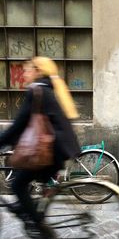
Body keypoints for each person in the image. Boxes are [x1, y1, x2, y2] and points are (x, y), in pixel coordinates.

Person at [0, 56, 81, 238]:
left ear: (38, 71)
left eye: (27, 70)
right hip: (59, 150)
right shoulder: (49, 88)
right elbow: (35, 124)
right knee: (25, 184)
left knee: (17, 185)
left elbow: (19, 125)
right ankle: (27, 210)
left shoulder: (36, 91)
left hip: (51, 153)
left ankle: (42, 227)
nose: (23, 74)